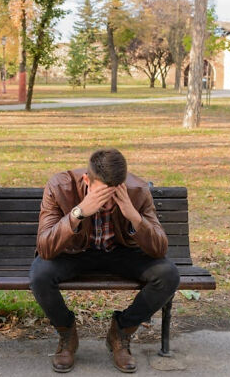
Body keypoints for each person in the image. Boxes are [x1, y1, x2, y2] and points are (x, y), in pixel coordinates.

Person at [30, 149, 179, 374]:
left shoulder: (137, 190)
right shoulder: (60, 186)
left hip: (121, 252)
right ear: (87, 180)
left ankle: (121, 331)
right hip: (75, 253)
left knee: (168, 275)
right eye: (101, 196)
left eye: (113, 196)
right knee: (40, 274)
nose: (107, 205)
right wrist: (78, 213)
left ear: (123, 185)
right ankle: (67, 333)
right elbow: (45, 248)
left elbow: (159, 248)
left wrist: (132, 214)